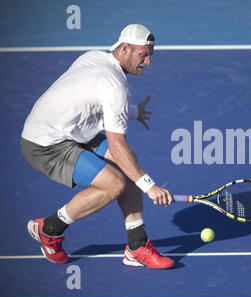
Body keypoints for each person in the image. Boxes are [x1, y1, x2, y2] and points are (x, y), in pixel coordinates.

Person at [21, 24, 175, 269]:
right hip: (44, 143)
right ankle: (49, 229)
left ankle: (137, 246)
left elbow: (88, 100)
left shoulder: (93, 56)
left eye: (149, 56)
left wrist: (133, 112)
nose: (147, 63)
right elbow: (117, 144)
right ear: (125, 48)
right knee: (115, 182)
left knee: (129, 166)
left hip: (70, 130)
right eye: (142, 55)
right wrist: (151, 187)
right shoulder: (115, 87)